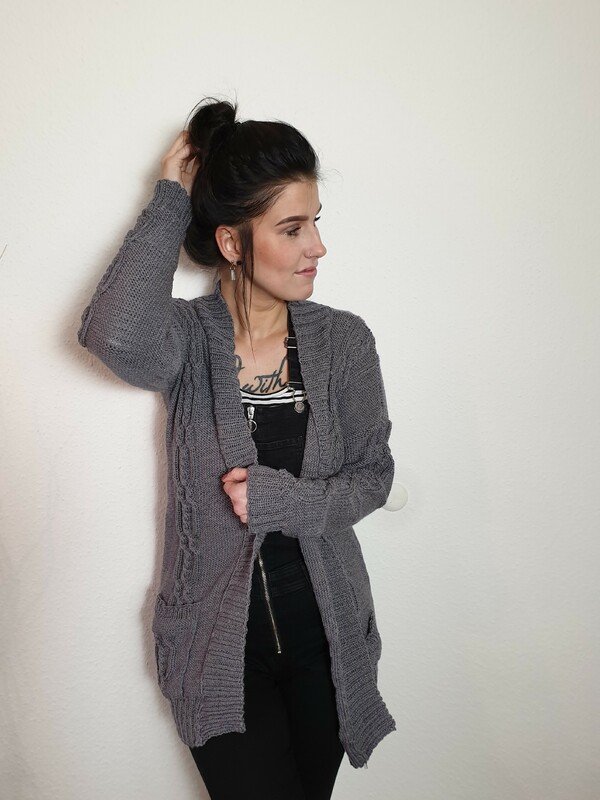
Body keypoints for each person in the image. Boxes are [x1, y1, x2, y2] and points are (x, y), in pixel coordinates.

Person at [77, 96, 396, 800]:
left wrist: (283, 501)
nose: (317, 246)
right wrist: (170, 199)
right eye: (292, 228)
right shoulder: (185, 339)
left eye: (316, 222)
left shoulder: (344, 342)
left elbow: (373, 476)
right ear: (231, 242)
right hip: (217, 648)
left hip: (326, 641)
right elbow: (112, 334)